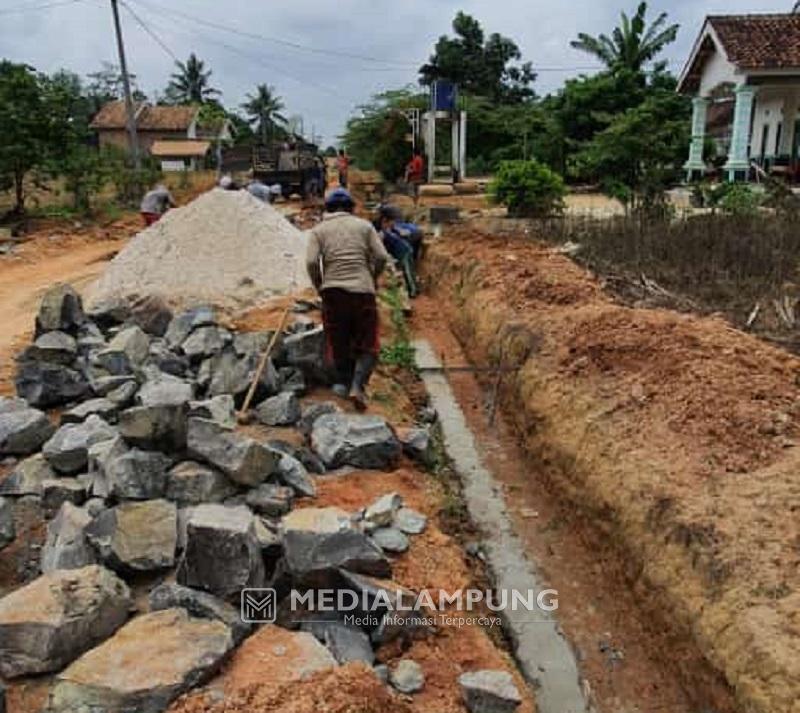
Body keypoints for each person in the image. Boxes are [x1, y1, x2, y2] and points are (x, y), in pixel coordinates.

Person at [306, 188, 389, 410]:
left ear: (328, 208)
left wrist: (320, 285)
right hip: (362, 290)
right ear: (351, 208)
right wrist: (372, 276)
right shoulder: (364, 226)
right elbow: (381, 256)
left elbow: (312, 263)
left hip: (333, 291)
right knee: (368, 341)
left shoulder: (319, 230)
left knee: (339, 340)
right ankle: (358, 387)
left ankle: (343, 384)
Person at [373, 205, 419, 298]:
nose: (393, 223)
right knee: (406, 270)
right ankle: (411, 289)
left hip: (404, 251)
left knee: (408, 271)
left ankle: (413, 291)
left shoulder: (385, 231)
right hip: (398, 250)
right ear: (385, 220)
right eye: (392, 221)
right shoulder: (382, 230)